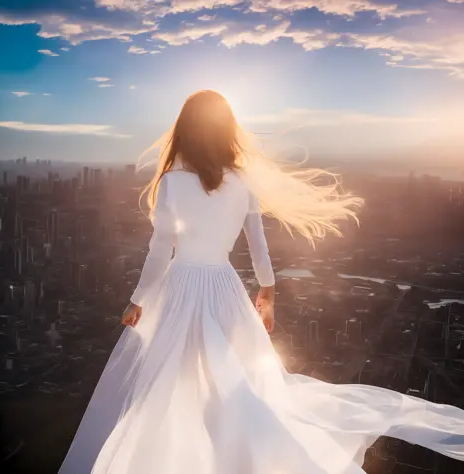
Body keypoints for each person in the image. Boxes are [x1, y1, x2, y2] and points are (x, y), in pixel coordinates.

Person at [59, 91, 464, 474]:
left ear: (183, 129)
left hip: (179, 289)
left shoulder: (170, 181)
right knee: (241, 390)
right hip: (225, 288)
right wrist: (267, 294)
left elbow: (159, 250)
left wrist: (138, 300)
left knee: (167, 389)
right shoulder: (242, 180)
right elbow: (258, 244)